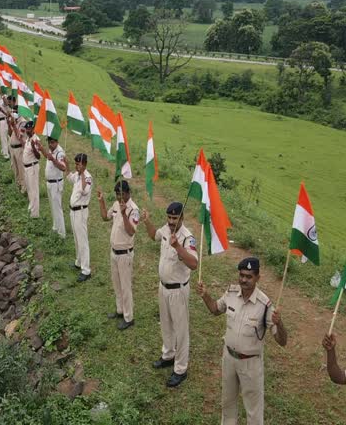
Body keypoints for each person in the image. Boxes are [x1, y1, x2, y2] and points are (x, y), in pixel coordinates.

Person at [197, 257, 288, 425]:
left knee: (253, 410)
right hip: (229, 358)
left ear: (257, 278)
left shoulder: (265, 305)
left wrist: (279, 323)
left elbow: (282, 341)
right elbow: (215, 310)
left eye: (249, 276)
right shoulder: (231, 293)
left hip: (250, 364)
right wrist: (205, 295)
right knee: (228, 403)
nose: (244, 280)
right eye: (241, 275)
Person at [141, 202, 198, 387]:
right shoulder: (165, 229)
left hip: (178, 290)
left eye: (175, 218)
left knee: (180, 330)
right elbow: (153, 236)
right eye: (169, 217)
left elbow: (194, 264)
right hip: (163, 287)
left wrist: (178, 248)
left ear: (182, 218)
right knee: (165, 323)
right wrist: (147, 221)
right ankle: (168, 354)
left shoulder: (187, 238)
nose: (171, 221)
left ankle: (180, 368)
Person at [97, 180, 139, 330]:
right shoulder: (115, 204)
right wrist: (101, 201)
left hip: (125, 254)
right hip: (114, 252)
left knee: (125, 286)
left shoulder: (133, 210)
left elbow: (131, 231)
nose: (119, 198)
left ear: (128, 193)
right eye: (117, 195)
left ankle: (129, 317)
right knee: (116, 284)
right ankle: (120, 310)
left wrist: (124, 214)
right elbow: (105, 217)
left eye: (122, 194)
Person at [67, 153, 93, 282]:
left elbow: (84, 190)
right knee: (76, 238)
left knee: (82, 239)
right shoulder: (77, 175)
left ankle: (86, 269)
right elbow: (68, 177)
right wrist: (66, 165)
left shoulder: (87, 177)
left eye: (79, 164)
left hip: (81, 211)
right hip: (73, 211)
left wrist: (82, 173)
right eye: (76, 164)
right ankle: (78, 261)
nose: (77, 166)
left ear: (84, 164)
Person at [38, 136, 67, 238]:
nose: (50, 145)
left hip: (56, 184)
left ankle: (61, 233)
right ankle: (56, 227)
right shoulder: (52, 151)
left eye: (52, 142)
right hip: (50, 183)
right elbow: (48, 156)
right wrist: (42, 150)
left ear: (57, 142)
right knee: (52, 207)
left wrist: (54, 160)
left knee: (57, 208)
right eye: (49, 143)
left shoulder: (60, 153)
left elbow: (63, 167)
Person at [21, 120, 41, 218]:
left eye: (28, 128)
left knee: (34, 190)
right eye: (26, 128)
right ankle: (31, 207)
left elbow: (38, 156)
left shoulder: (36, 139)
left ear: (33, 128)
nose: (27, 130)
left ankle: (35, 214)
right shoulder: (28, 139)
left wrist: (33, 147)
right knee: (29, 189)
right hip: (26, 167)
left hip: (32, 167)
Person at [6, 104, 26, 193]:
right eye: (13, 111)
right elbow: (10, 134)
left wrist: (14, 125)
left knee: (21, 169)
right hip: (13, 148)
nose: (14, 113)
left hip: (19, 148)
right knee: (15, 169)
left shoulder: (23, 122)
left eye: (16, 111)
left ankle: (24, 188)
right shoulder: (13, 120)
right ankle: (18, 185)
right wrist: (8, 123)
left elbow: (20, 137)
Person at [0, 92, 11, 159]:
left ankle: (6, 154)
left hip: (3, 120)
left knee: (4, 137)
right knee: (2, 137)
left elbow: (6, 103)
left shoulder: (5, 96)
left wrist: (3, 97)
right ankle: (4, 151)